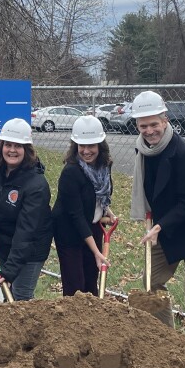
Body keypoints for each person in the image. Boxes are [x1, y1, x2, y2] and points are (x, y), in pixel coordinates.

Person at [129, 90, 185, 345]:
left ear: (165, 119)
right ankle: (168, 342)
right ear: (137, 125)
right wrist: (157, 225)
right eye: (144, 125)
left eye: (154, 124)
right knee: (150, 284)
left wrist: (160, 226)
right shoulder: (143, 151)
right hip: (163, 231)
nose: (150, 130)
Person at [0, 118, 52, 301]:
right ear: (1, 146)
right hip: (3, 241)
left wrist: (10, 270)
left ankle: (30, 330)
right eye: (8, 144)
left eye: (18, 146)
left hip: (31, 248)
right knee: (7, 296)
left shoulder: (37, 185)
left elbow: (27, 232)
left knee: (21, 297)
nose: (12, 150)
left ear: (27, 150)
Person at [52, 115, 116, 296]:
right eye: (82, 146)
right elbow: (76, 215)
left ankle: (92, 322)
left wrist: (107, 210)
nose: (86, 151)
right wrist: (97, 252)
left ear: (100, 146)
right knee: (76, 285)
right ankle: (72, 323)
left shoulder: (104, 166)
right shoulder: (71, 172)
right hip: (69, 230)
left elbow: (98, 195)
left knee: (90, 281)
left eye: (91, 146)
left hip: (92, 227)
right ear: (75, 146)